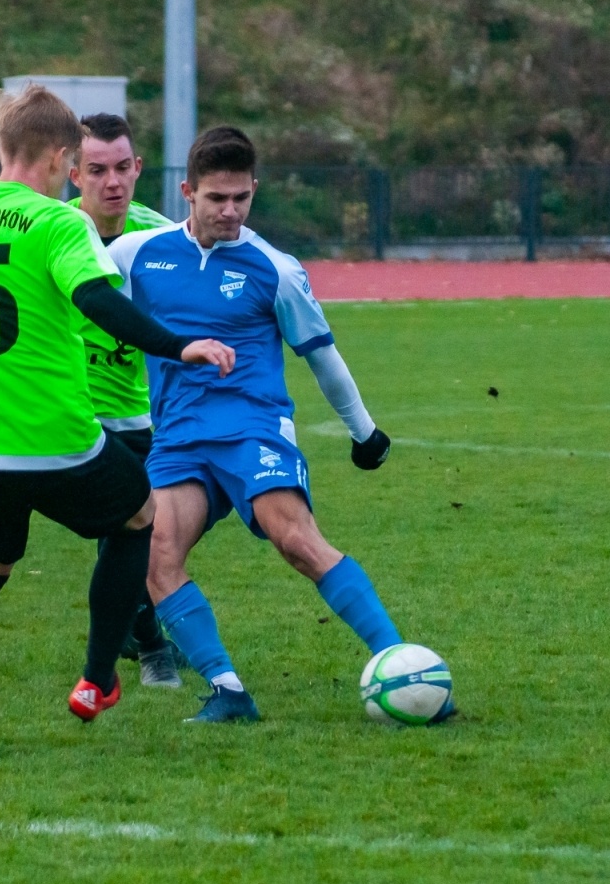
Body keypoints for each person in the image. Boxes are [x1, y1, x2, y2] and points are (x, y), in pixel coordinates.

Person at [0, 85, 234, 750]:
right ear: (61, 158)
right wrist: (177, 345)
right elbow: (99, 301)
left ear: (2, 149)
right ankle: (98, 677)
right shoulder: (58, 224)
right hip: (59, 442)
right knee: (141, 519)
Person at [107, 127, 415, 723]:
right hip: (176, 439)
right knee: (156, 557)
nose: (229, 212)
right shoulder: (136, 254)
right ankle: (229, 692)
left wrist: (364, 431)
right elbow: (65, 279)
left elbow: (321, 355)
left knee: (295, 539)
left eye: (241, 199)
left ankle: (401, 663)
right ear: (187, 193)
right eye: (216, 199)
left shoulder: (275, 269)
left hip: (253, 430)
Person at [67, 113, 184, 688]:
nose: (111, 181)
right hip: (75, 419)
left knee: (152, 533)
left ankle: (136, 636)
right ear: (73, 175)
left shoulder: (164, 239)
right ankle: (153, 648)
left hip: (146, 417)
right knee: (126, 530)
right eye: (96, 170)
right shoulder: (54, 231)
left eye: (122, 167)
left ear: (138, 168)